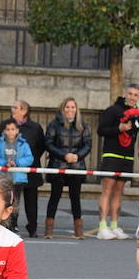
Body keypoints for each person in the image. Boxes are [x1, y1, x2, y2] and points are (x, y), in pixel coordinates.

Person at [95, 84, 139, 239]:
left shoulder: (136, 115)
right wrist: (119, 128)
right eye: (130, 93)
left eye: (135, 95)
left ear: (138, 97)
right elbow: (101, 130)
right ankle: (102, 226)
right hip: (112, 154)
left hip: (127, 157)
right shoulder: (113, 110)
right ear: (125, 94)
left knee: (118, 192)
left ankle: (114, 225)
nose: (132, 97)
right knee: (107, 189)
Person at [0, 101, 46, 237]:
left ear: (24, 111)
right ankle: (10, 226)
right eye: (12, 107)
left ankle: (32, 228)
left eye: (15, 108)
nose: (12, 110)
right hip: (10, 172)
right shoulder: (5, 125)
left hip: (30, 170)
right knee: (12, 200)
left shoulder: (35, 127)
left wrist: (26, 161)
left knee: (31, 200)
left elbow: (41, 146)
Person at [42, 96, 90, 238]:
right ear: (63, 109)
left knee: (75, 198)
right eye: (67, 107)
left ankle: (78, 230)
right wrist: (64, 155)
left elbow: (88, 144)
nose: (70, 110)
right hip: (58, 166)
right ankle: (48, 230)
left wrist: (77, 156)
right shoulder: (54, 124)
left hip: (76, 166)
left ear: (76, 109)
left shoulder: (83, 125)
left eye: (72, 107)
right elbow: (49, 143)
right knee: (54, 197)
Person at [0, 119, 33, 219]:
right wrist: (5, 163)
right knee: (3, 201)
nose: (10, 131)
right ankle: (2, 222)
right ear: (4, 131)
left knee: (15, 203)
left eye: (13, 129)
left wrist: (17, 163)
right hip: (3, 179)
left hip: (18, 179)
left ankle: (14, 224)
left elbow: (29, 158)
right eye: (8, 129)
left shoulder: (23, 144)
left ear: (17, 130)